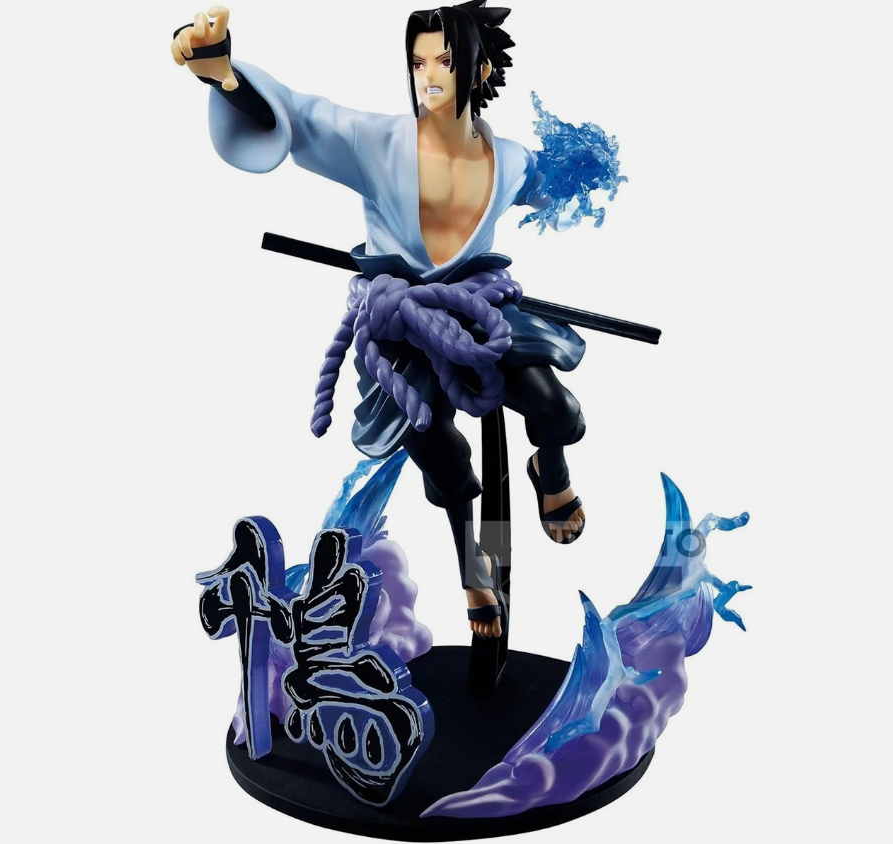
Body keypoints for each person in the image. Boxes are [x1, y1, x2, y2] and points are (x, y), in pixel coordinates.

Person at [172, 2, 590, 639]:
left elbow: (554, 182)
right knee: (437, 450)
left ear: (478, 71)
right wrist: (227, 77)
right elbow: (302, 118)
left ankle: (549, 470)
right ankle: (472, 563)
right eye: (418, 62)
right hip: (402, 326)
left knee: (557, 408)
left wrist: (587, 168)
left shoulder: (507, 160)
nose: (429, 75)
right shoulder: (377, 144)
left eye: (444, 60)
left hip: (480, 311)